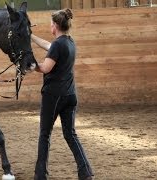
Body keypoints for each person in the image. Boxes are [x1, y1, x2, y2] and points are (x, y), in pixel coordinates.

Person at [31, 8, 94, 180]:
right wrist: (31, 36)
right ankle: (85, 172)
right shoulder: (69, 42)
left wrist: (31, 65)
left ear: (56, 26)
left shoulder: (58, 45)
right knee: (70, 134)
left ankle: (40, 175)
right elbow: (47, 45)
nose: (50, 27)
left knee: (45, 134)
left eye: (51, 24)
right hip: (70, 95)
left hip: (54, 96)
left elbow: (45, 68)